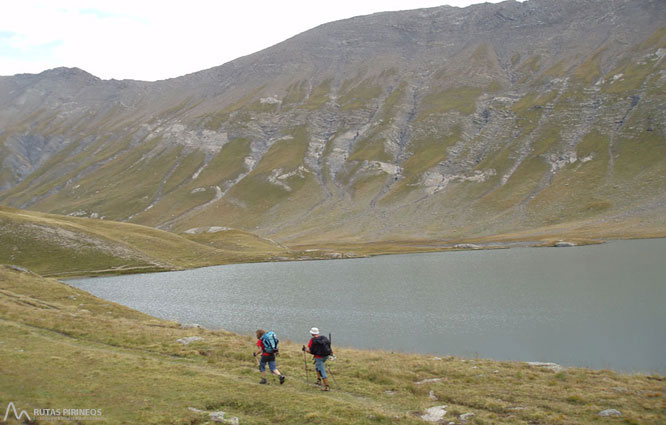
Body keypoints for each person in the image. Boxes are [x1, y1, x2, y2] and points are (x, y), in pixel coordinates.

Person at [302, 327, 333, 391]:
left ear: (312, 333)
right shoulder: (324, 338)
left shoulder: (312, 340)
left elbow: (310, 351)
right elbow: (329, 347)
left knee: (322, 370)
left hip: (319, 358)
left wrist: (304, 349)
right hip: (325, 356)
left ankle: (326, 386)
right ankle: (319, 380)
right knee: (317, 367)